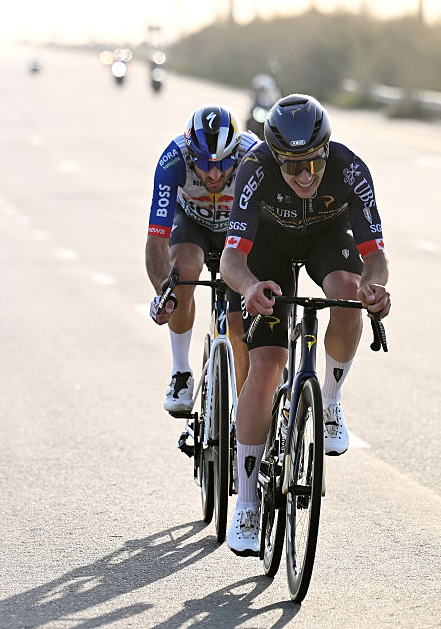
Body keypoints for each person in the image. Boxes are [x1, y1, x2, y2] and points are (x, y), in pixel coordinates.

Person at [220, 94, 391, 555]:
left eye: (314, 163)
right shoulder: (253, 169)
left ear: (326, 151)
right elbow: (231, 259)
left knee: (347, 286)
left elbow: (376, 259)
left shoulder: (350, 169)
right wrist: (250, 287)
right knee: (267, 369)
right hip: (269, 248)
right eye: (293, 167)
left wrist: (374, 288)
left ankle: (330, 401)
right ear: (276, 158)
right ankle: (249, 503)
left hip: (327, 238)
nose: (306, 176)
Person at [146, 105, 258, 416]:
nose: (213, 174)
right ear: (189, 154)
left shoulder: (254, 157)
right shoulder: (172, 159)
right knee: (182, 269)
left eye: (223, 164)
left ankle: (246, 403)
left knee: (238, 323)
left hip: (237, 229)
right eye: (203, 165)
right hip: (191, 224)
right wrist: (163, 292)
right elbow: (156, 240)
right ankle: (181, 373)